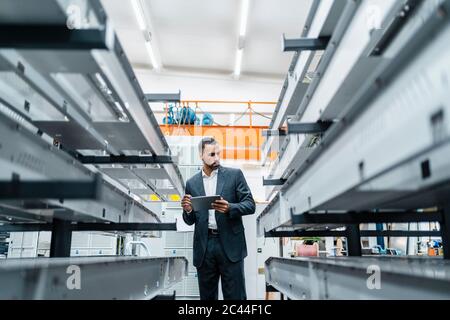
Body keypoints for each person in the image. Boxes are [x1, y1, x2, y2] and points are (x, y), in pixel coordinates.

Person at [181, 137, 255, 300]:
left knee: (235, 296)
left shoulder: (234, 175)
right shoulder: (192, 183)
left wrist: (230, 207)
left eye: (218, 154)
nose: (217, 158)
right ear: (201, 155)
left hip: (230, 245)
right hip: (204, 246)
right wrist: (187, 210)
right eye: (212, 154)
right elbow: (190, 220)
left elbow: (250, 205)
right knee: (207, 297)